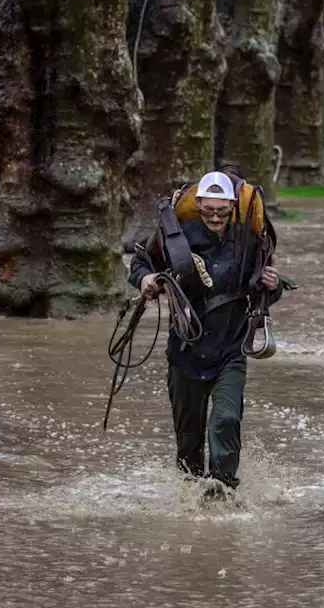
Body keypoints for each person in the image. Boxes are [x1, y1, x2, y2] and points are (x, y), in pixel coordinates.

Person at [127, 170, 284, 498]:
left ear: (232, 207)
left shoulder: (250, 240)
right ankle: (189, 494)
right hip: (185, 350)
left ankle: (222, 491)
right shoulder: (175, 238)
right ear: (197, 204)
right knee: (188, 441)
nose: (215, 216)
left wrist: (275, 284)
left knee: (226, 418)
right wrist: (145, 280)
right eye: (208, 210)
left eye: (222, 210)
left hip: (231, 349)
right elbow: (140, 263)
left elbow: (266, 289)